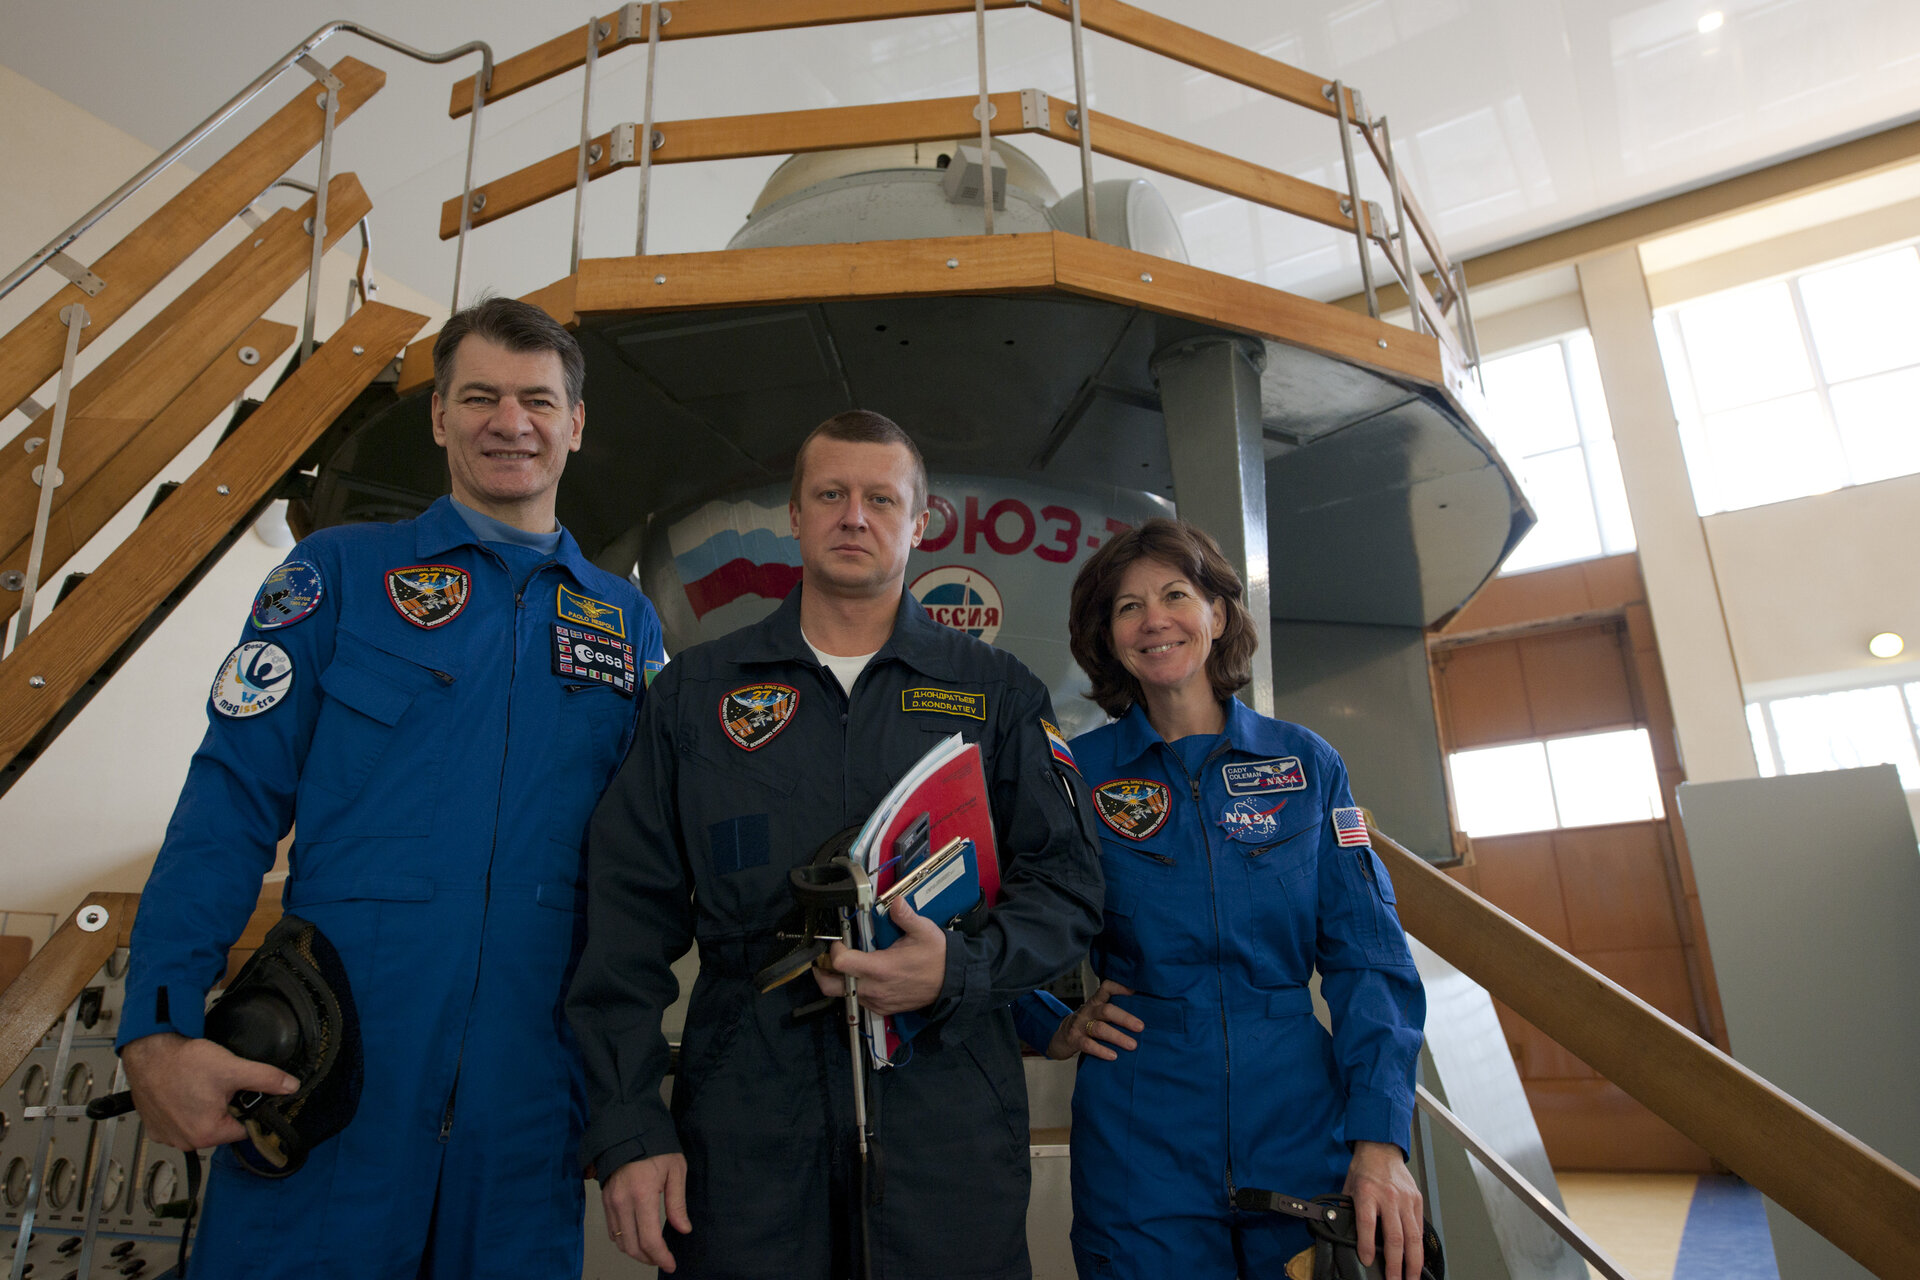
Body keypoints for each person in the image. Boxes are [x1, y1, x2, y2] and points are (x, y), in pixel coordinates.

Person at [116, 297, 665, 1278]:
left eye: (539, 399)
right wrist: (157, 1021)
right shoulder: (334, 575)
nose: (512, 421)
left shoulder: (626, 624)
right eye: (481, 395)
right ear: (439, 416)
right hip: (332, 1073)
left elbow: (659, 859)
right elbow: (228, 804)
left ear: (575, 424)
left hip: (530, 1095)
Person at [569, 410, 1104, 1278]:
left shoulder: (996, 695)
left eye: (880, 499)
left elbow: (1069, 887)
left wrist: (958, 970)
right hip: (746, 1123)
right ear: (795, 513)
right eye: (831, 494)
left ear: (920, 523)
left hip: (948, 1114)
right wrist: (629, 1127)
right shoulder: (696, 696)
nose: (855, 516)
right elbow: (620, 927)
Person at [1012, 518, 1427, 1280]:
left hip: (1301, 1116)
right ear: (1108, 636)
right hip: (1142, 1124)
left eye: (1176, 594)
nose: (1155, 619)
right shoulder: (1073, 774)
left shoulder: (1306, 764)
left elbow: (1370, 957)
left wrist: (1379, 1139)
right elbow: (995, 922)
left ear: (1219, 614)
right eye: (1128, 607)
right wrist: (1051, 1023)